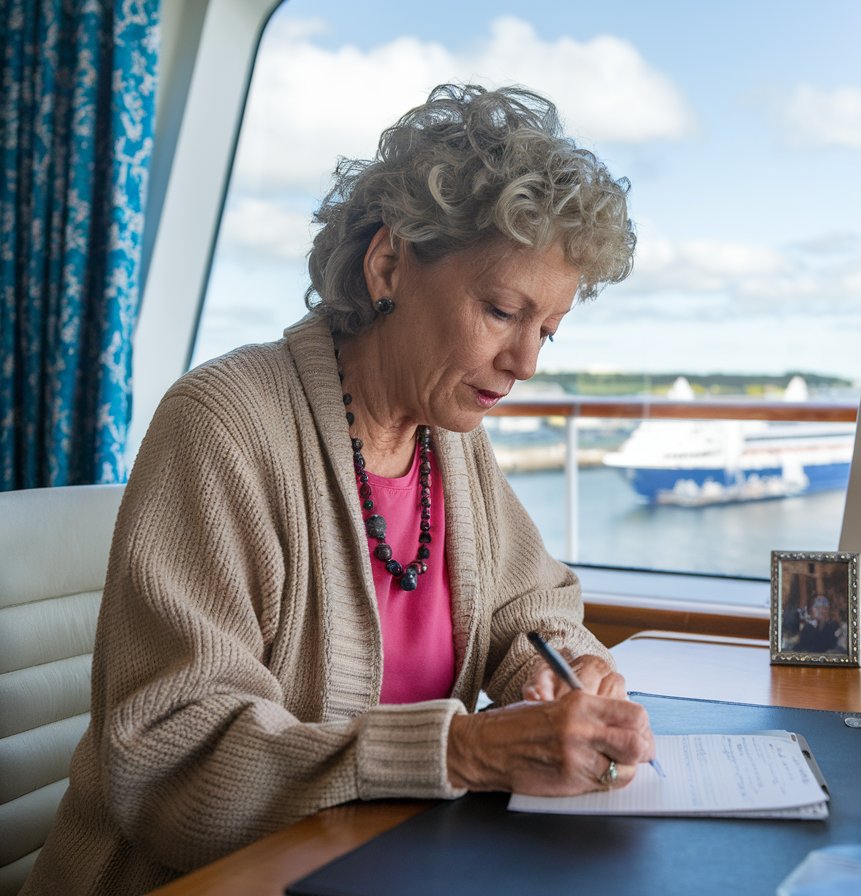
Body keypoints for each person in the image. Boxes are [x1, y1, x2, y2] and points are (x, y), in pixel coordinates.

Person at [21, 84, 654, 896]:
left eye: (549, 331)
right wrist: (459, 752)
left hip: (381, 868)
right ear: (388, 263)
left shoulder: (447, 437)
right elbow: (172, 761)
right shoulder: (224, 425)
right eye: (501, 311)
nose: (526, 362)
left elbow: (524, 608)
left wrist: (567, 664)